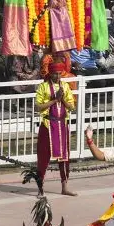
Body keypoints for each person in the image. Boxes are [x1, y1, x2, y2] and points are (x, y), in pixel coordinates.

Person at [32, 60, 77, 197]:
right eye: (55, 74)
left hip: (62, 125)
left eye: (59, 74)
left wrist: (62, 99)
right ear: (50, 74)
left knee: (65, 157)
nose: (57, 77)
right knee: (43, 157)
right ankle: (40, 188)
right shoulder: (43, 87)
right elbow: (38, 107)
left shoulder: (65, 86)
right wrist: (54, 100)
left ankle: (64, 186)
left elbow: (71, 107)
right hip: (47, 125)